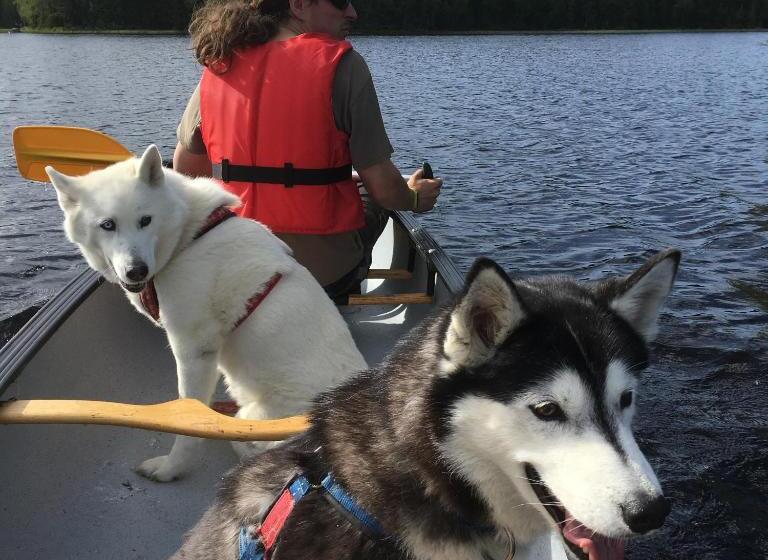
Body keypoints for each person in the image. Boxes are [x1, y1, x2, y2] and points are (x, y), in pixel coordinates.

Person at [173, 0, 443, 299]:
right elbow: (385, 189)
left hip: (237, 270)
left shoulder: (220, 63)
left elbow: (186, 170)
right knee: (371, 195)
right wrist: (414, 198)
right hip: (321, 277)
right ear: (299, 4)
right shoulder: (344, 65)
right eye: (340, 1)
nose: (352, 12)